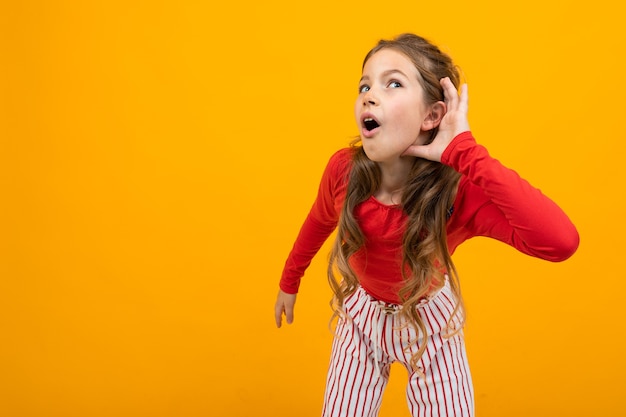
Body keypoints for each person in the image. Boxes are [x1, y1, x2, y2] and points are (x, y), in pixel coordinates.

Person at [274, 33, 579, 417]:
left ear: (432, 116)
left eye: (393, 83)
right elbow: (318, 220)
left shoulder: (457, 193)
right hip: (362, 319)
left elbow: (559, 241)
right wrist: (290, 280)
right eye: (364, 85)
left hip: (432, 323)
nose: (369, 94)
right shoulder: (343, 171)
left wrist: (466, 152)